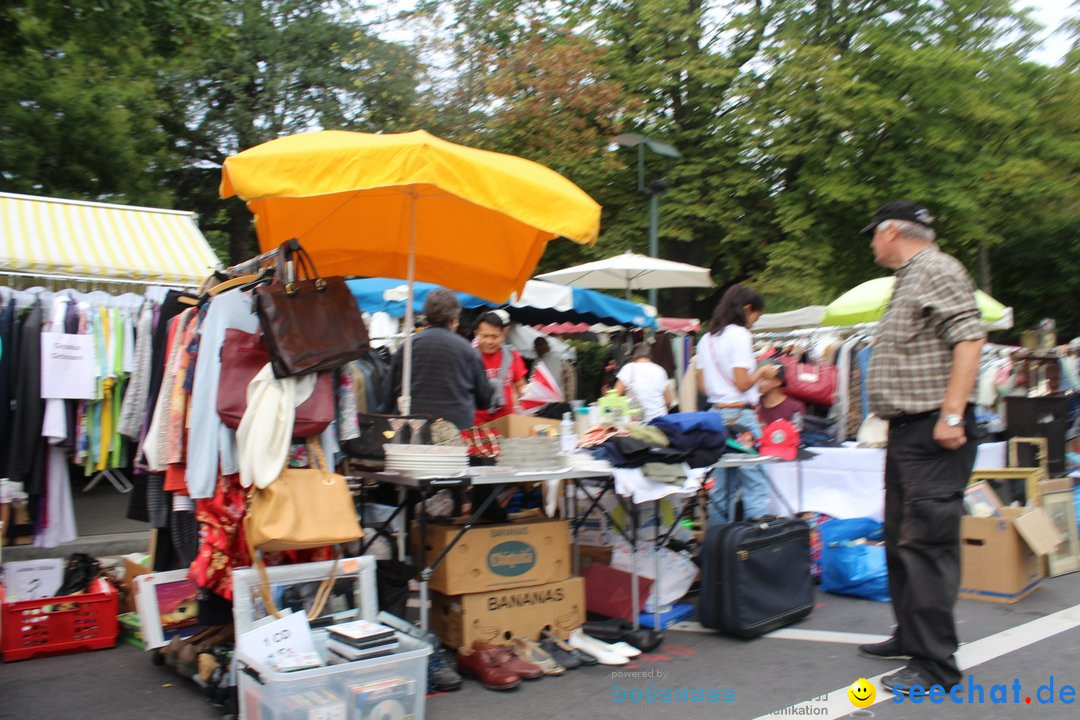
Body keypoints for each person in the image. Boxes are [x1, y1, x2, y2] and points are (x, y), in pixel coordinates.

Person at [856, 201, 985, 697]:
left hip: (935, 428)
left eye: (874, 234)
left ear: (891, 231)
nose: (871, 243)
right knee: (901, 539)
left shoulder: (936, 267)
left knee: (926, 544)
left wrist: (952, 414)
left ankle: (936, 666)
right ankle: (911, 635)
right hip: (912, 429)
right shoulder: (913, 274)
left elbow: (969, 338)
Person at [697, 284, 780, 524]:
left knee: (722, 488)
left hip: (714, 418)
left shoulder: (706, 339)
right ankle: (757, 544)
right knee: (755, 482)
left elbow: (704, 387)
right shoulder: (741, 335)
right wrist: (762, 372)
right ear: (747, 308)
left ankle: (719, 546)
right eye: (756, 315)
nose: (755, 322)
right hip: (740, 419)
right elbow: (743, 384)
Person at [390, 289, 491, 431]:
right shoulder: (468, 351)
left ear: (427, 317)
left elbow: (388, 396)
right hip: (456, 433)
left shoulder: (406, 348)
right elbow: (484, 400)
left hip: (413, 431)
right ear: (455, 319)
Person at [473, 309, 528, 425]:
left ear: (503, 334)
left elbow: (520, 385)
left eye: (494, 337)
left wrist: (534, 394)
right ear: (477, 334)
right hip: (476, 423)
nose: (489, 341)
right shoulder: (469, 357)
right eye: (485, 336)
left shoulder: (512, 355)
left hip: (506, 421)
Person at [615, 342, 673, 422]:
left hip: (638, 424)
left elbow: (615, 395)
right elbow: (669, 401)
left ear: (633, 357)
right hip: (660, 422)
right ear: (650, 356)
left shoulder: (629, 368)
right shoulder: (660, 370)